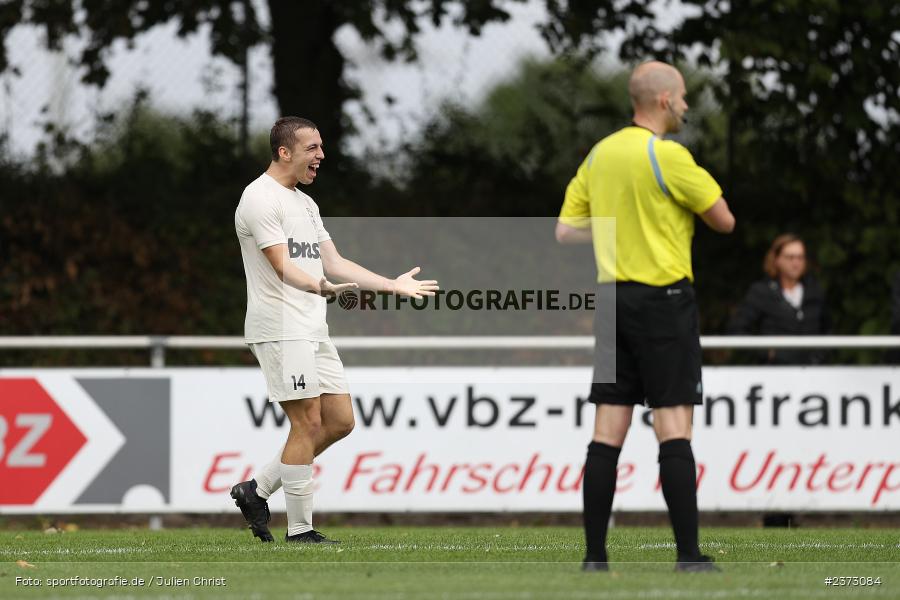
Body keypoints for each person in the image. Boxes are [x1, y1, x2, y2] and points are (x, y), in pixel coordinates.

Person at [556, 61, 735, 572]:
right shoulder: (668, 155)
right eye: (680, 97)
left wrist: (615, 230)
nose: (684, 106)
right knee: (674, 426)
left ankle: (594, 558)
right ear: (662, 100)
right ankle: (688, 556)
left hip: (614, 302)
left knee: (607, 429)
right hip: (664, 302)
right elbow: (724, 219)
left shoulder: (599, 154)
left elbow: (566, 231)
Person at [230, 116, 438, 543]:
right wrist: (321, 287)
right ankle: (300, 530)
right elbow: (283, 266)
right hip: (281, 327)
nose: (321, 156)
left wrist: (391, 285)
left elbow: (336, 263)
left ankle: (257, 490)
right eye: (312, 148)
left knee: (340, 421)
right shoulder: (258, 198)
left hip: (312, 326)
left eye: (321, 147)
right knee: (306, 423)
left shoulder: (305, 203)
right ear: (284, 152)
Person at [727, 234, 830, 364]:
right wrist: (767, 352)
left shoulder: (814, 291)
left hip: (813, 372)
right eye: (790, 257)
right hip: (775, 373)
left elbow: (828, 330)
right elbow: (737, 329)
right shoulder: (761, 292)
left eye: (800, 257)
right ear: (776, 259)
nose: (796, 263)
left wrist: (819, 356)